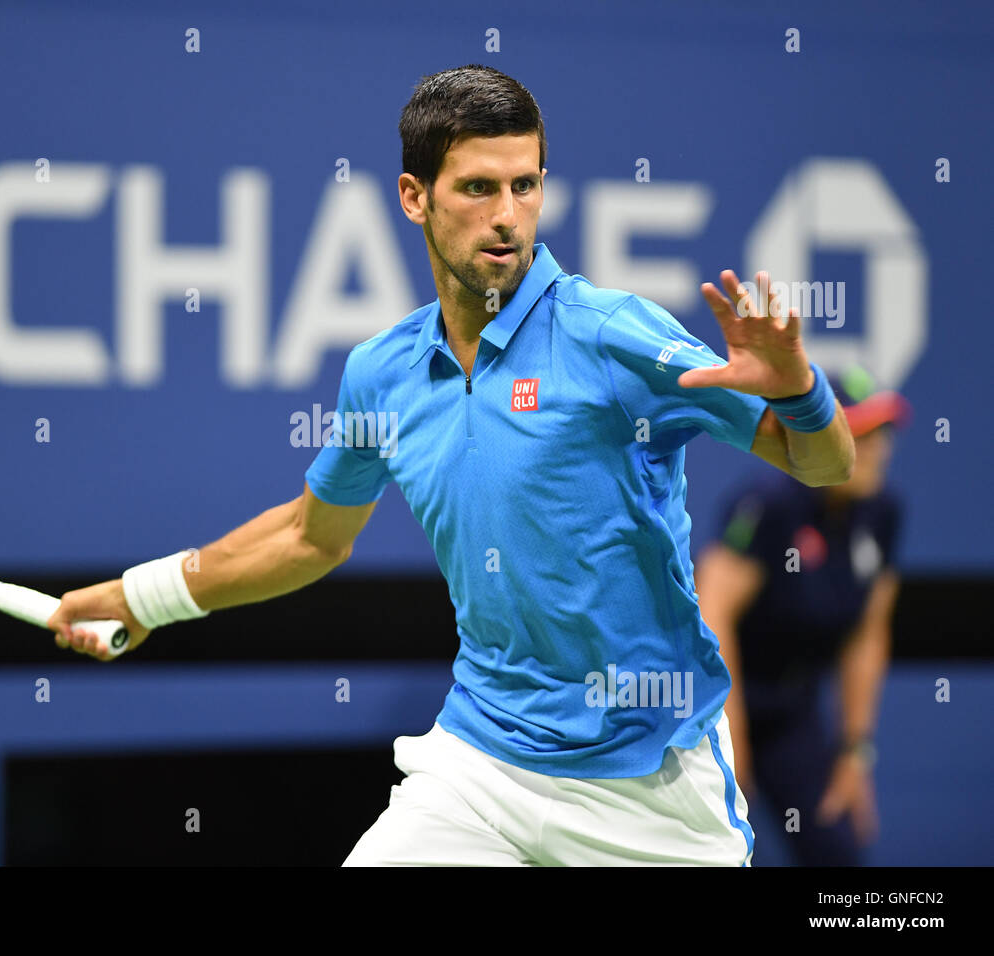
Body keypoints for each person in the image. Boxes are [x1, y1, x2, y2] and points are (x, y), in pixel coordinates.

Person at [46, 64, 856, 866]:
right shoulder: (383, 371)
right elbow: (309, 535)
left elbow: (823, 466)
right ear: (414, 197)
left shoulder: (612, 336)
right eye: (478, 189)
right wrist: (145, 597)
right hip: (481, 766)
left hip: (649, 784)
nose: (508, 217)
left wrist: (802, 392)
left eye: (526, 186)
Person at [695, 368, 909, 865]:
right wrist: (730, 736)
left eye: (884, 433)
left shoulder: (884, 515)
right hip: (718, 708)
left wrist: (856, 751)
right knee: (712, 853)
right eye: (863, 434)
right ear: (827, 438)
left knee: (835, 851)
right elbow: (714, 610)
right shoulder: (770, 504)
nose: (879, 449)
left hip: (793, 713)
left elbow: (866, 635)